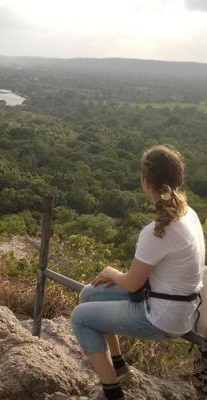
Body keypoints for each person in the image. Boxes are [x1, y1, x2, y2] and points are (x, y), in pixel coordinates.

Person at [70, 144, 205, 400]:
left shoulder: (158, 231)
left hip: (163, 317)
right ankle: (119, 367)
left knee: (80, 318)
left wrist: (111, 271)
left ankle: (112, 393)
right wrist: (116, 277)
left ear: (145, 182)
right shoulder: (190, 215)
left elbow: (132, 284)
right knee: (90, 293)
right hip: (179, 306)